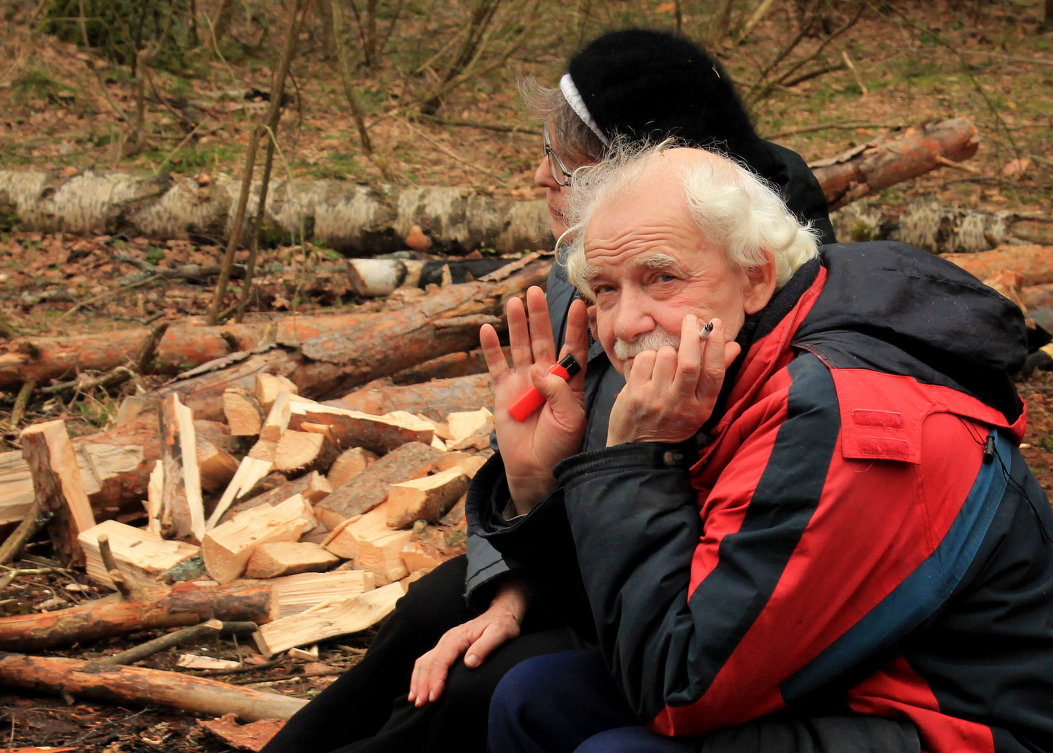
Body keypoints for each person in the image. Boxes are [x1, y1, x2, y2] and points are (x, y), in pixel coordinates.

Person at [262, 28, 836, 753]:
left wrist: (542, 567)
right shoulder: (597, 271)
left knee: (483, 679)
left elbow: (692, 538)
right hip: (615, 554)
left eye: (566, 164)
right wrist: (526, 500)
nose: (540, 178)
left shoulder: (737, 298)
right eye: (546, 154)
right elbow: (586, 478)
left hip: (683, 600)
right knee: (433, 603)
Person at [474, 143, 1053, 752]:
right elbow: (632, 615)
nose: (627, 322)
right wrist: (537, 483)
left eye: (662, 277)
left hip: (966, 723)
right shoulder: (725, 372)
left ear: (755, 277)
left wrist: (633, 462)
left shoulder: (844, 412)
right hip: (841, 674)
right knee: (534, 698)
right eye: (605, 289)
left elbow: (677, 686)